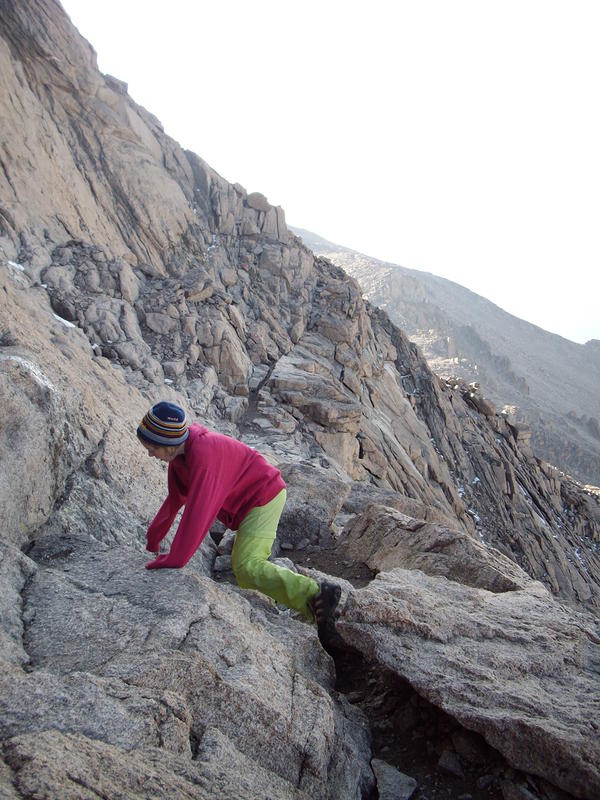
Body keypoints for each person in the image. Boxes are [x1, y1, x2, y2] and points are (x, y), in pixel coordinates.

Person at [137, 400, 341, 640]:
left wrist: (175, 559)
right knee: (245, 570)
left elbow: (198, 513)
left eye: (152, 447)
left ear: (169, 443)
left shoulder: (203, 455)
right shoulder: (179, 461)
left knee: (246, 565)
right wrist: (152, 543)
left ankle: (317, 596)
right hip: (247, 502)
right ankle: (312, 607)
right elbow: (174, 501)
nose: (150, 454)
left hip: (264, 495)